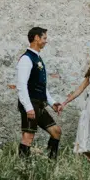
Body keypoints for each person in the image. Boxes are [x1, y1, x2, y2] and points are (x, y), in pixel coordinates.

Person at [16, 27, 63, 160]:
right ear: (36, 38)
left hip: (39, 104)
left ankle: (51, 163)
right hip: (30, 104)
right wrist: (28, 108)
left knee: (56, 131)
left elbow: (41, 86)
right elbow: (21, 86)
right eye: (44, 38)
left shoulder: (37, 58)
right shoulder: (26, 59)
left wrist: (52, 103)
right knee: (28, 136)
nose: (46, 41)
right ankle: (23, 168)